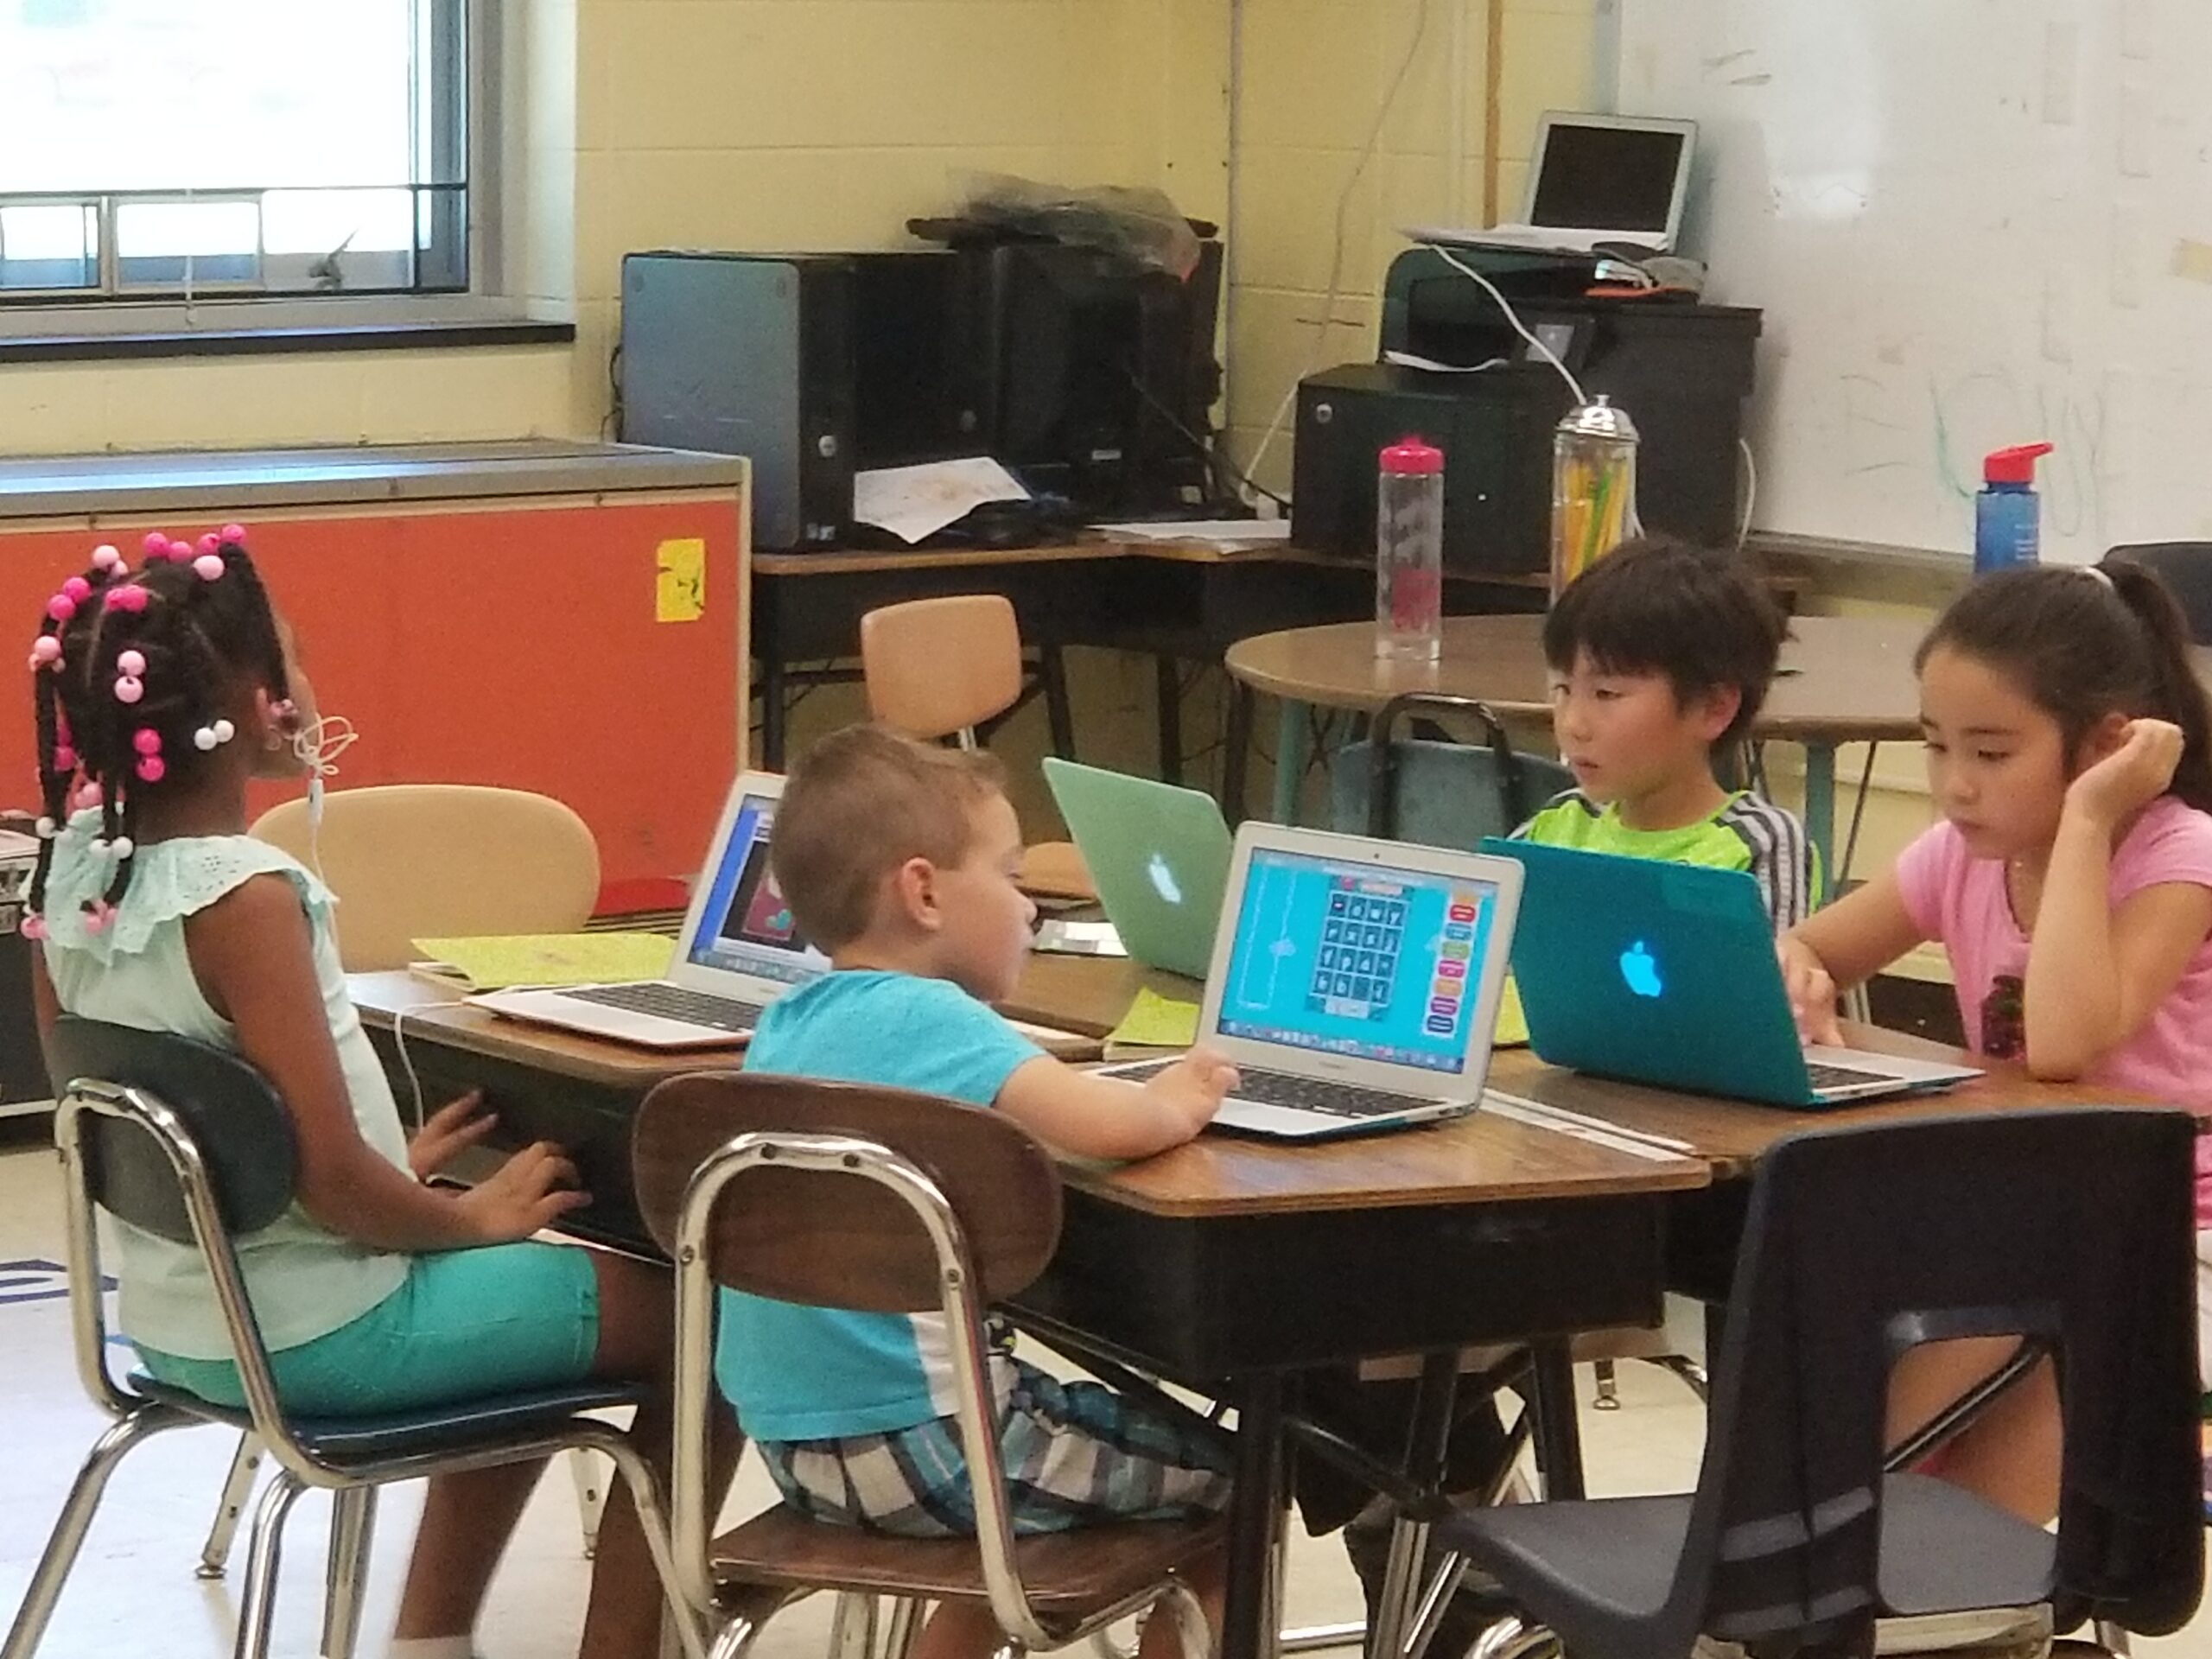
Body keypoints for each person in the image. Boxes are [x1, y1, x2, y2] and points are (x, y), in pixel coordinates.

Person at [22, 527, 731, 1659]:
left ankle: (433, 1642)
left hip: (180, 1327)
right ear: (260, 705)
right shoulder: (250, 896)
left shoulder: (68, 883)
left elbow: (184, 1131)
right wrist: (458, 1216)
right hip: (319, 1336)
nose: (308, 684)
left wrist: (405, 1192)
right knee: (712, 1316)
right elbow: (335, 1187)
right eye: (293, 661)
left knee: (522, 1294)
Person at [716, 723, 1236, 1659]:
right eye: (1011, 878)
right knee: (1240, 1477)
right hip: (936, 1451)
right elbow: (1107, 1127)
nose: (1032, 910)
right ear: (921, 892)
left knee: (1015, 1511)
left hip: (799, 1456)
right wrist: (1182, 1095)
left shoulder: (787, 1025)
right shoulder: (936, 1019)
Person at [1780, 557, 2212, 1523]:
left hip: (2171, 1236)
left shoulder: (2180, 858)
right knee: (1883, 1281)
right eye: (1935, 749)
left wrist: (2090, 820)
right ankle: (1825, 1539)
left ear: (2104, 746)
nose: (1953, 788)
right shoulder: (1957, 857)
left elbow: (2063, 1044)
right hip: (2027, 1209)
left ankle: (1802, 1519)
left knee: (1989, 1312)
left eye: (1990, 753)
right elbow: (1807, 944)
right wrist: (1798, 975)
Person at [1524, 533, 1817, 929]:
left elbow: (1770, 987)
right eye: (1562, 689)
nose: (1573, 724)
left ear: (1714, 709)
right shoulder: (1561, 822)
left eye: (1606, 693)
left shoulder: (1758, 843)